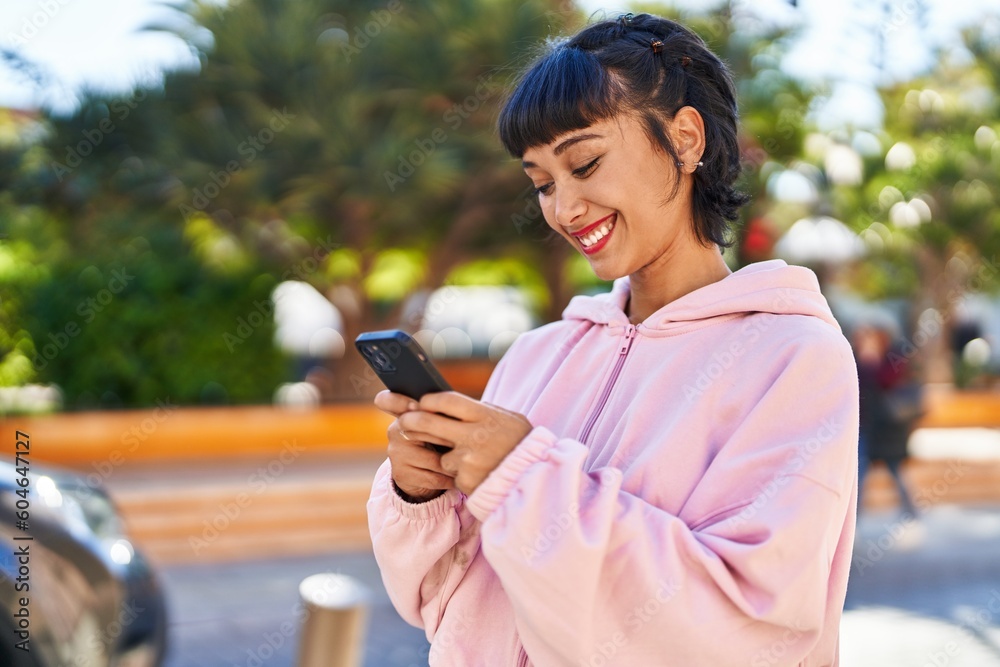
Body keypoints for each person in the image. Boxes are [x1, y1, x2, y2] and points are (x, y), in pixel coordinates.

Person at [367, 13, 859, 666]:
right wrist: (421, 495)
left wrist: (520, 477)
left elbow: (743, 631)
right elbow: (448, 607)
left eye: (585, 163)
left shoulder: (794, 359)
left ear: (685, 139)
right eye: (542, 182)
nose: (563, 208)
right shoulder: (537, 356)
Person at [854, 325, 918, 517]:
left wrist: (871, 363)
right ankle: (853, 521)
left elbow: (887, 381)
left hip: (887, 430)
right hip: (864, 426)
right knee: (858, 475)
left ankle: (911, 512)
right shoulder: (855, 358)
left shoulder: (892, 359)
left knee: (894, 471)